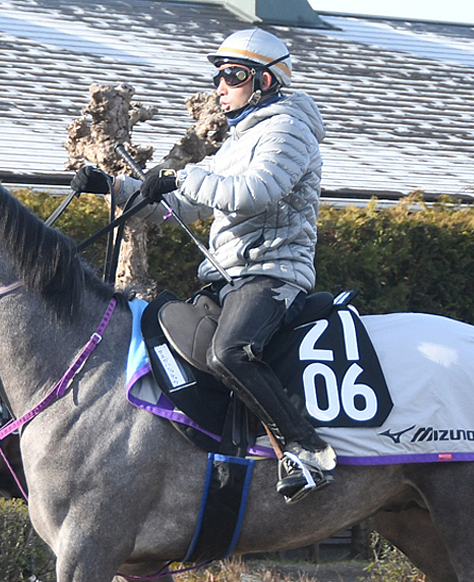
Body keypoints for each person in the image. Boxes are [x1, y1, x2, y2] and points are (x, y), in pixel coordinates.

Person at [71, 28, 334, 504]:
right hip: (227, 279)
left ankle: (305, 450)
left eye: (231, 76)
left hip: (272, 274)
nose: (220, 87)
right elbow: (183, 208)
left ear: (265, 82)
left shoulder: (289, 130)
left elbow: (253, 195)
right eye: (218, 76)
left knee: (231, 353)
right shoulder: (239, 139)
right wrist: (115, 188)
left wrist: (185, 175)